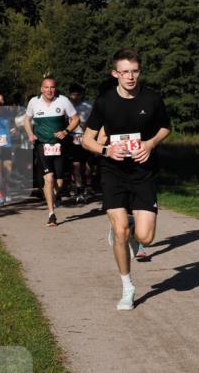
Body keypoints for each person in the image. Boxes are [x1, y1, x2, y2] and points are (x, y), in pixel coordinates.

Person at [82, 49, 171, 309]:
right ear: (115, 74)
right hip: (113, 171)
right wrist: (106, 150)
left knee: (146, 238)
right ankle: (127, 288)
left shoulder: (152, 99)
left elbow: (166, 127)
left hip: (144, 172)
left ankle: (131, 231)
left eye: (134, 71)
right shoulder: (104, 101)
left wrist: (151, 143)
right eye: (125, 72)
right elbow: (87, 139)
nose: (130, 77)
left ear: (139, 72)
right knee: (119, 230)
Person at [24, 78, 79, 226]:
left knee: (59, 182)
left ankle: (50, 198)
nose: (49, 90)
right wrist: (30, 134)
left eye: (52, 87)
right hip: (42, 144)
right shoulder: (34, 102)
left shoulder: (63, 101)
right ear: (41, 89)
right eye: (46, 87)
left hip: (59, 146)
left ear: (55, 89)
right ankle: (51, 213)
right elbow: (26, 120)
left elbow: (75, 119)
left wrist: (66, 131)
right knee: (49, 178)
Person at [65, 84, 94, 205]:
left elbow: (93, 122)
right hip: (72, 138)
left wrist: (82, 125)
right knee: (75, 164)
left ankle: (88, 185)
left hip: (86, 137)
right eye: (72, 95)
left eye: (77, 94)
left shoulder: (87, 106)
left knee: (87, 164)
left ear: (81, 95)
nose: (74, 97)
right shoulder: (66, 106)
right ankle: (78, 188)